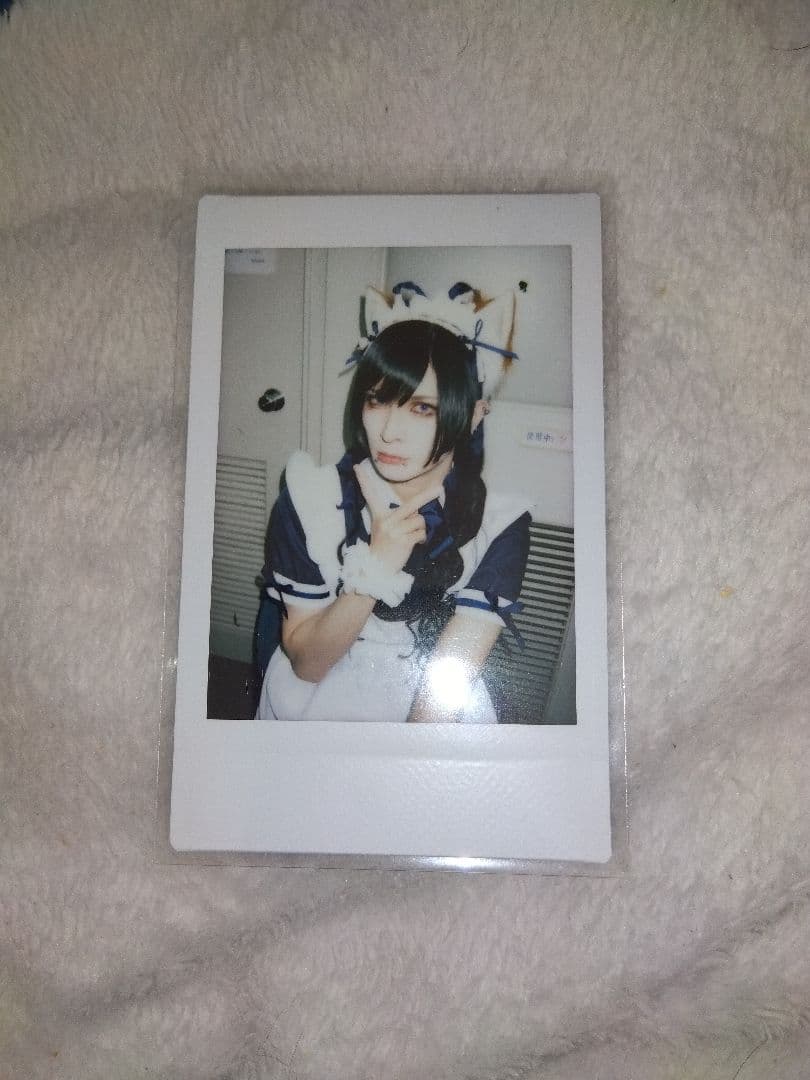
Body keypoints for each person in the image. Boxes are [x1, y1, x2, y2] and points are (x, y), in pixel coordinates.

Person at [256, 281, 531, 723]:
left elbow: (442, 694)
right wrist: (377, 568)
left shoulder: (500, 523)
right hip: (317, 691)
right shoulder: (312, 497)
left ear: (474, 414)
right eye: (377, 400)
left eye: (423, 408)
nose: (388, 432)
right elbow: (307, 665)